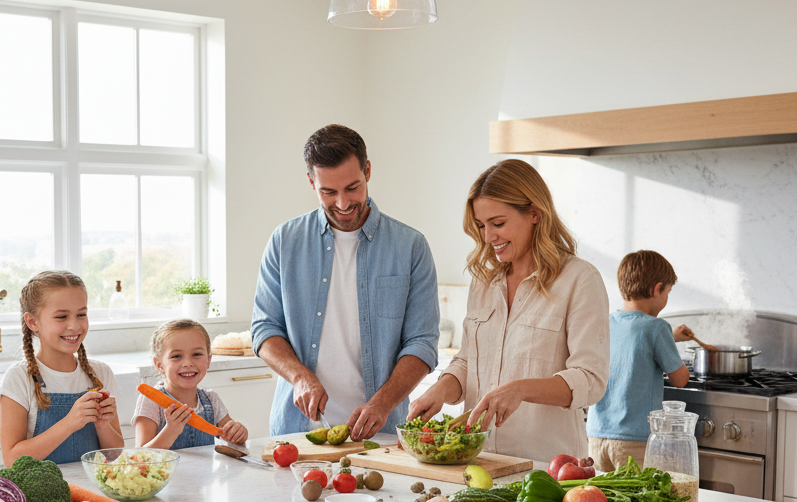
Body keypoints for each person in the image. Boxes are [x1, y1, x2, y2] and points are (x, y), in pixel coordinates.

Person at [408, 159, 609, 464]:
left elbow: (590, 380)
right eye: (481, 226)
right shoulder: (484, 281)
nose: (488, 237)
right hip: (477, 462)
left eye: (498, 223)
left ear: (534, 214)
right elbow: (468, 361)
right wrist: (440, 389)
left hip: (546, 470)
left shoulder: (580, 280)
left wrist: (520, 390)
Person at [252, 124, 439, 439]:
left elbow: (422, 343)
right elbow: (265, 330)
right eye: (328, 191)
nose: (342, 203)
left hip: (381, 435)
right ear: (312, 182)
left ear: (367, 171)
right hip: (297, 434)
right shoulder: (285, 241)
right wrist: (299, 378)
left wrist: (382, 403)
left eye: (352, 187)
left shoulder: (410, 246)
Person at [0, 270, 124, 465]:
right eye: (61, 317)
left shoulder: (100, 374)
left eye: (81, 314)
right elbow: (12, 459)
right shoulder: (19, 378)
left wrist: (103, 424)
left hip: (91, 492)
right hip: (39, 495)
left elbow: (115, 455)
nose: (74, 325)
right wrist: (70, 423)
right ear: (32, 321)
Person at [587, 250, 694, 471]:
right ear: (657, 289)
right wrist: (669, 341)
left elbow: (631, 343)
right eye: (668, 292)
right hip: (634, 440)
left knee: (605, 500)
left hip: (596, 435)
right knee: (637, 501)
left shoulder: (606, 322)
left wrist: (670, 338)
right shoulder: (657, 327)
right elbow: (680, 379)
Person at [132, 319, 249, 449]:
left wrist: (239, 435)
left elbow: (232, 445)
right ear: (159, 364)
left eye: (197, 354)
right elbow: (141, 456)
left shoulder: (212, 399)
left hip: (206, 470)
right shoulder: (151, 401)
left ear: (208, 360)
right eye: (176, 356)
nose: (188, 363)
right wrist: (171, 430)